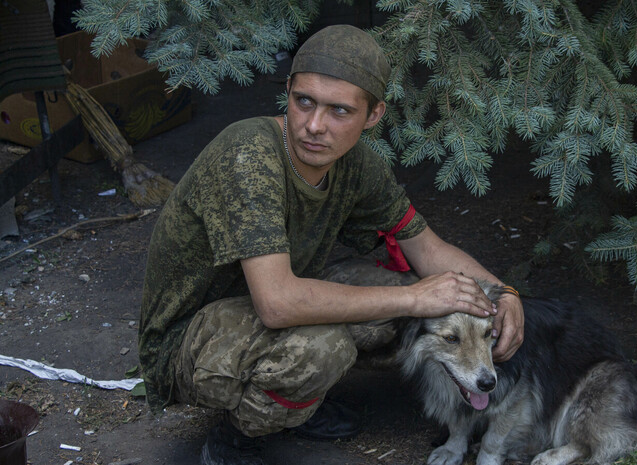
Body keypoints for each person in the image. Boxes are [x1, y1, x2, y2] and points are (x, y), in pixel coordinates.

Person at [138, 24, 525, 465]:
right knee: (328, 347)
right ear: (287, 90)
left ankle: (294, 405)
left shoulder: (357, 164)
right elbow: (277, 304)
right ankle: (236, 437)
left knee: (408, 300)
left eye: (339, 111)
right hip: (189, 338)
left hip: (266, 296)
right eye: (304, 101)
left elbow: (427, 250)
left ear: (374, 115)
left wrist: (504, 294)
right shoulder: (248, 153)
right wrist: (412, 298)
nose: (314, 126)